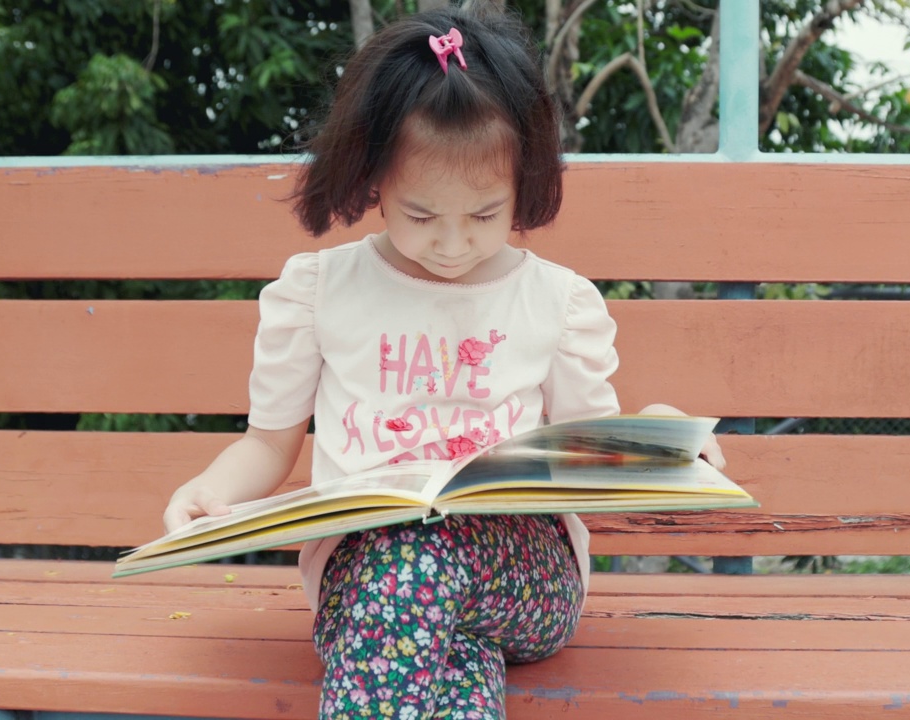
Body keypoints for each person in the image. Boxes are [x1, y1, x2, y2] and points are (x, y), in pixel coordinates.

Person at [160, 4, 723, 718]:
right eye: (421, 216)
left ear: (525, 186)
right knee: (447, 653)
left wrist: (661, 435)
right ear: (373, 181)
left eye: (485, 215)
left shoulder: (553, 301)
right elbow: (269, 443)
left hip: (528, 578)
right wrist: (211, 492)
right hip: (366, 579)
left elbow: (589, 451)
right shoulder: (320, 293)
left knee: (416, 568)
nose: (453, 246)